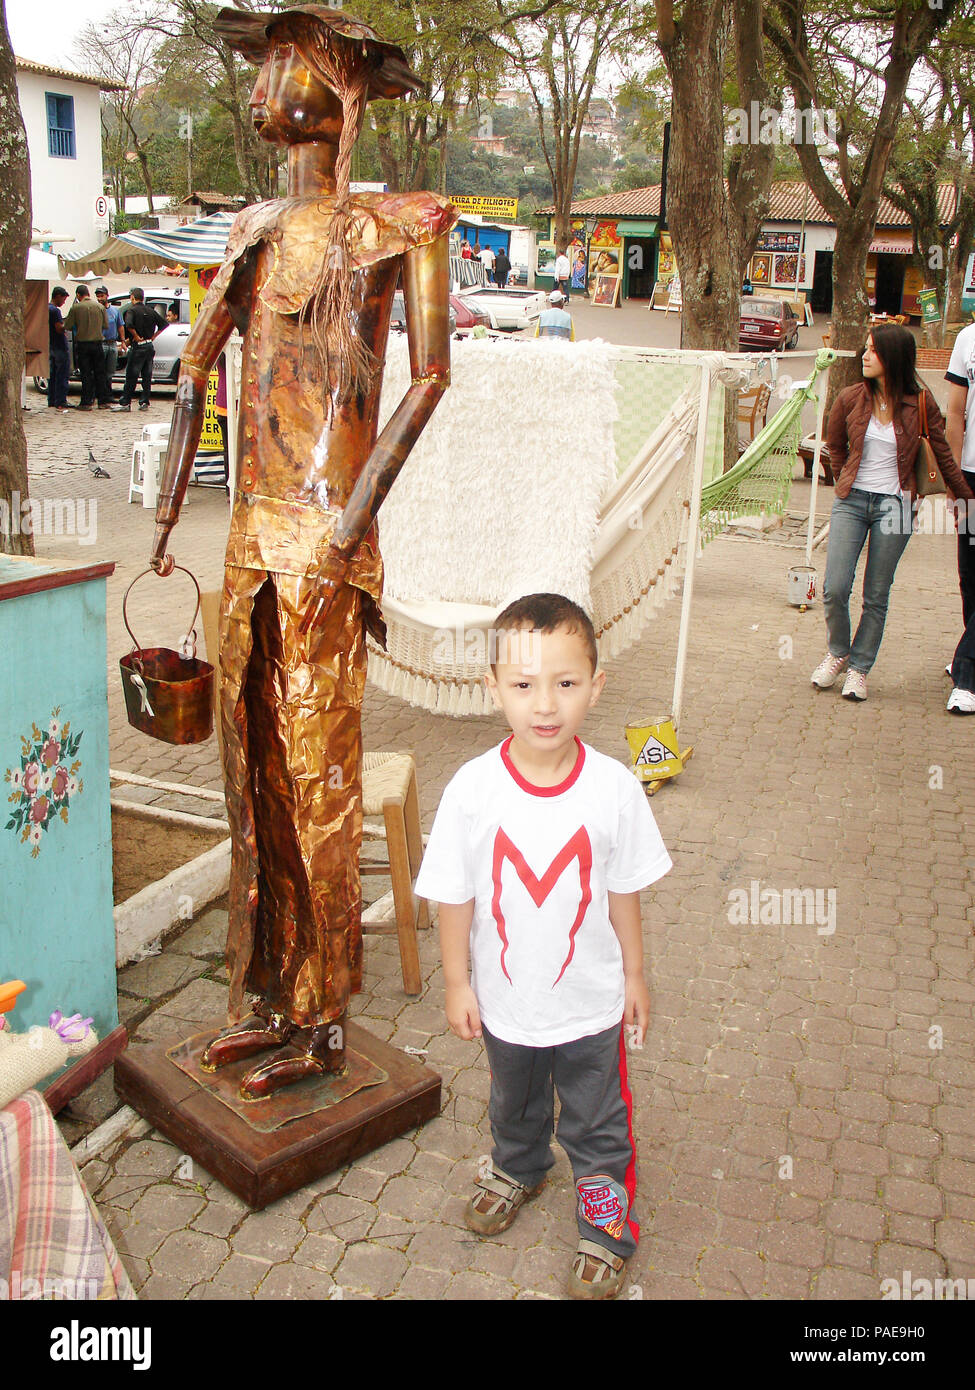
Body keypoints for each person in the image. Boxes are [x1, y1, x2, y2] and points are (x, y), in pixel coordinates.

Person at [148, 4, 455, 1101]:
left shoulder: (400, 226)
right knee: (252, 773)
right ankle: (269, 993)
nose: (276, 80)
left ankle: (325, 1017)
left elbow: (429, 379)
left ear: (349, 92)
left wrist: (348, 518)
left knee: (318, 772)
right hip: (246, 541)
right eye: (271, 61)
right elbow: (194, 371)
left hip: (325, 544)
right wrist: (167, 506)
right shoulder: (250, 235)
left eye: (300, 61)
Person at [415, 593, 672, 1300]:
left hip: (588, 1008)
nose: (545, 704)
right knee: (513, 1103)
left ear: (596, 684)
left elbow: (623, 888)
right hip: (504, 1006)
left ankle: (603, 1228)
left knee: (597, 1124)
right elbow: (453, 895)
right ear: (492, 687)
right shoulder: (472, 790)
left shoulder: (615, 790)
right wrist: (457, 983)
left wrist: (636, 976)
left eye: (565, 682)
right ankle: (519, 1165)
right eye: (523, 684)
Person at [810, 324, 974, 702]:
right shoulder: (850, 397)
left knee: (876, 594)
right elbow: (834, 443)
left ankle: (859, 669)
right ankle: (838, 652)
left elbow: (944, 456)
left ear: (892, 358)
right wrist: (843, 482)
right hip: (852, 501)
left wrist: (965, 499)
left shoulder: (920, 402)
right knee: (835, 587)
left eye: (872, 351)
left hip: (896, 507)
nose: (864, 356)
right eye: (865, 349)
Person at [944, 319, 975, 712]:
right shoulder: (968, 338)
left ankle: (967, 672)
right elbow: (955, 414)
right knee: (970, 574)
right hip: (970, 473)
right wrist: (952, 479)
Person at [112, 288, 166, 411]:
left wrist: (135, 336)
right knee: (147, 376)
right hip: (149, 346)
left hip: (138, 347)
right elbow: (164, 324)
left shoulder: (132, 310)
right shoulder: (150, 311)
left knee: (132, 375)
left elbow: (129, 324)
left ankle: (125, 402)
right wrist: (153, 336)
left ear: (132, 297)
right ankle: (144, 402)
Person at [63, 285, 111, 411]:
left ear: (78, 295)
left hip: (83, 344)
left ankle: (86, 401)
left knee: (86, 373)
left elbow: (68, 325)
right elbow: (106, 325)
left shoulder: (76, 307)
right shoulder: (100, 307)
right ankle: (103, 401)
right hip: (97, 343)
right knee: (100, 373)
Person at [47, 287, 70, 413]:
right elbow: (59, 328)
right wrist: (67, 325)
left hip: (51, 345)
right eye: (64, 299)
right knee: (62, 374)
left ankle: (52, 399)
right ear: (58, 296)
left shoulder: (46, 308)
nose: (64, 302)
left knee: (53, 374)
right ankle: (61, 401)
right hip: (59, 346)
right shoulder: (55, 311)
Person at [95, 286, 123, 388]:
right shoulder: (96, 310)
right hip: (101, 343)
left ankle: (108, 392)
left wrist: (123, 341)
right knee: (100, 370)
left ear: (107, 296)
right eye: (98, 296)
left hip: (113, 344)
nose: (100, 298)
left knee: (110, 371)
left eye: (102, 296)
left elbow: (120, 326)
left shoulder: (115, 311)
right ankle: (101, 393)